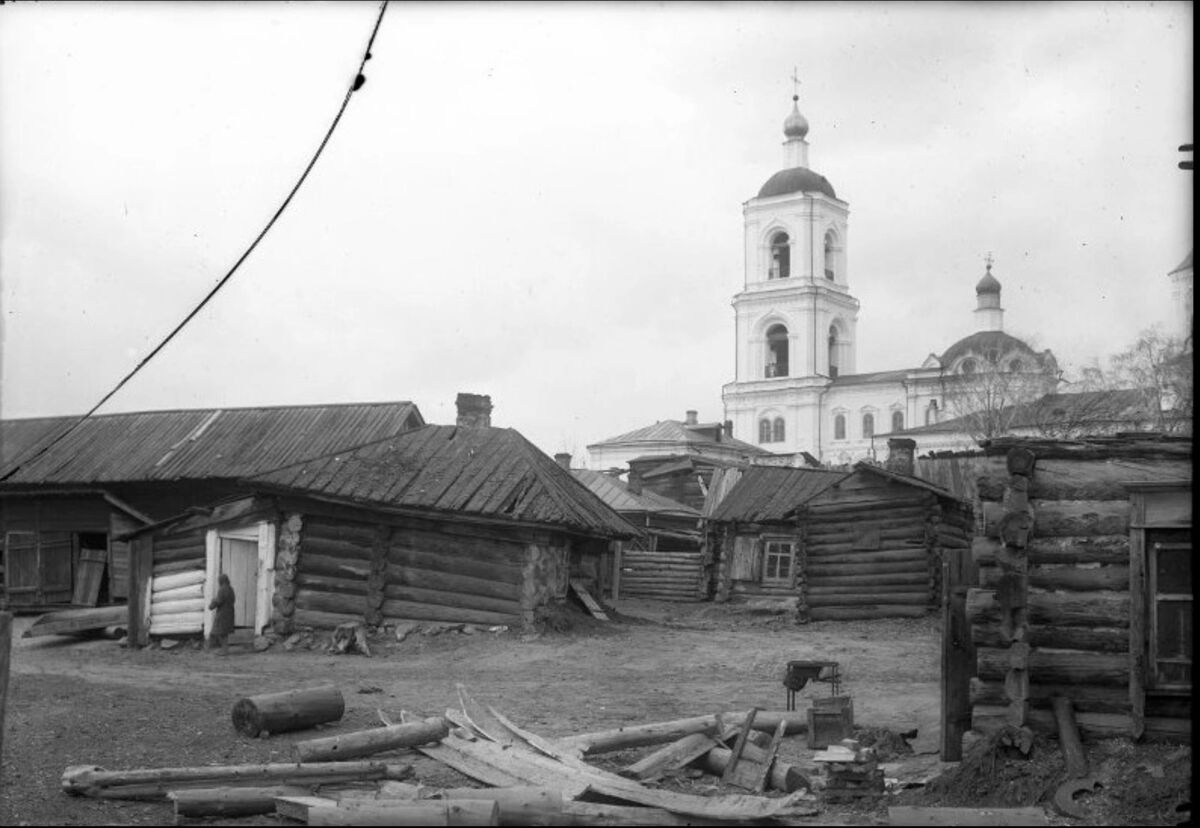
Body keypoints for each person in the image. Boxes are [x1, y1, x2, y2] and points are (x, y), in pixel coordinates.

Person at [208, 573, 235, 655]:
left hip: (223, 613)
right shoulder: (230, 589)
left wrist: (212, 604)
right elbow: (233, 600)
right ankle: (225, 649)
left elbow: (219, 600)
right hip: (230, 612)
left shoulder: (222, 589)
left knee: (220, 631)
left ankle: (223, 650)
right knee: (224, 632)